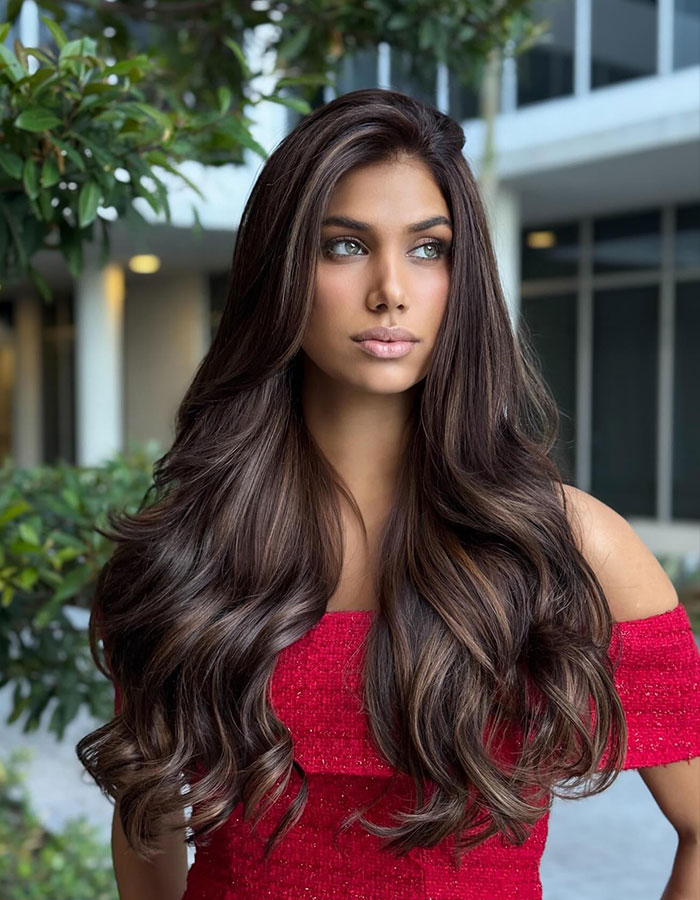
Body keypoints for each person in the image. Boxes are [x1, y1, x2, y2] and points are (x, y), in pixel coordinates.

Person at [77, 88, 700, 900]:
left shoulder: (572, 547)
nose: (390, 290)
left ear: (460, 274)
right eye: (343, 247)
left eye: (428, 249)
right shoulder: (186, 548)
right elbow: (150, 827)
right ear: (281, 270)